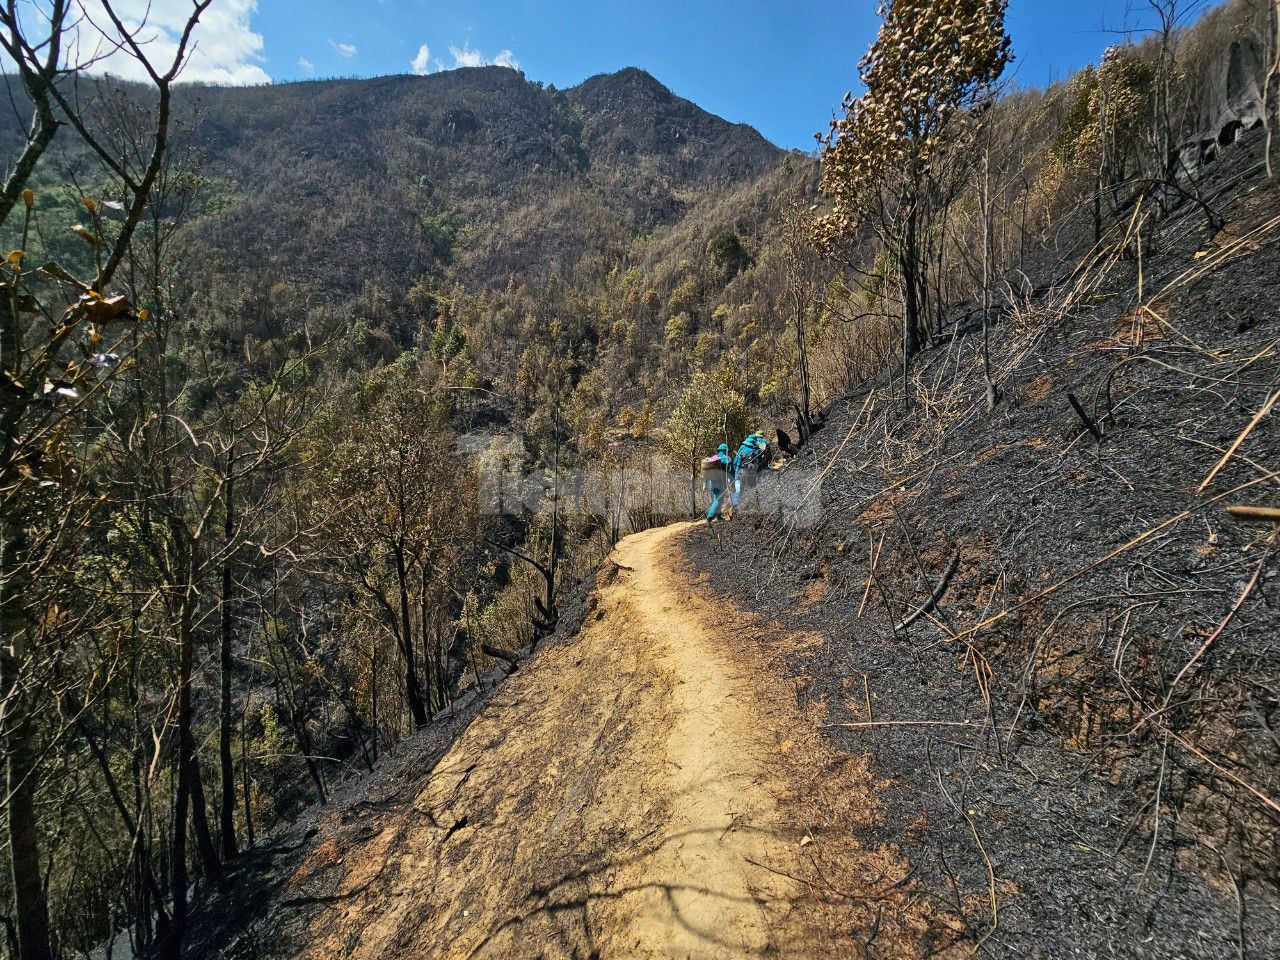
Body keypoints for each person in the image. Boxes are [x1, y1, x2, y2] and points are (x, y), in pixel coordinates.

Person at [731, 431, 770, 510]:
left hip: (742, 472)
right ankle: (755, 506)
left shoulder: (743, 448)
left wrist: (736, 473)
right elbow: (763, 460)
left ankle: (736, 507)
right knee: (752, 488)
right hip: (753, 472)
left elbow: (737, 461)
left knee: (740, 490)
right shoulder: (759, 448)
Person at [700, 443, 733, 521]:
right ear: (726, 451)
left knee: (715, 500)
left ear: (719, 451)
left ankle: (718, 516)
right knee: (719, 500)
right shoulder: (727, 459)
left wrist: (704, 483)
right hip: (720, 483)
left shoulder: (713, 459)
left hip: (710, 483)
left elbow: (707, 471)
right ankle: (709, 517)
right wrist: (733, 483)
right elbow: (731, 472)